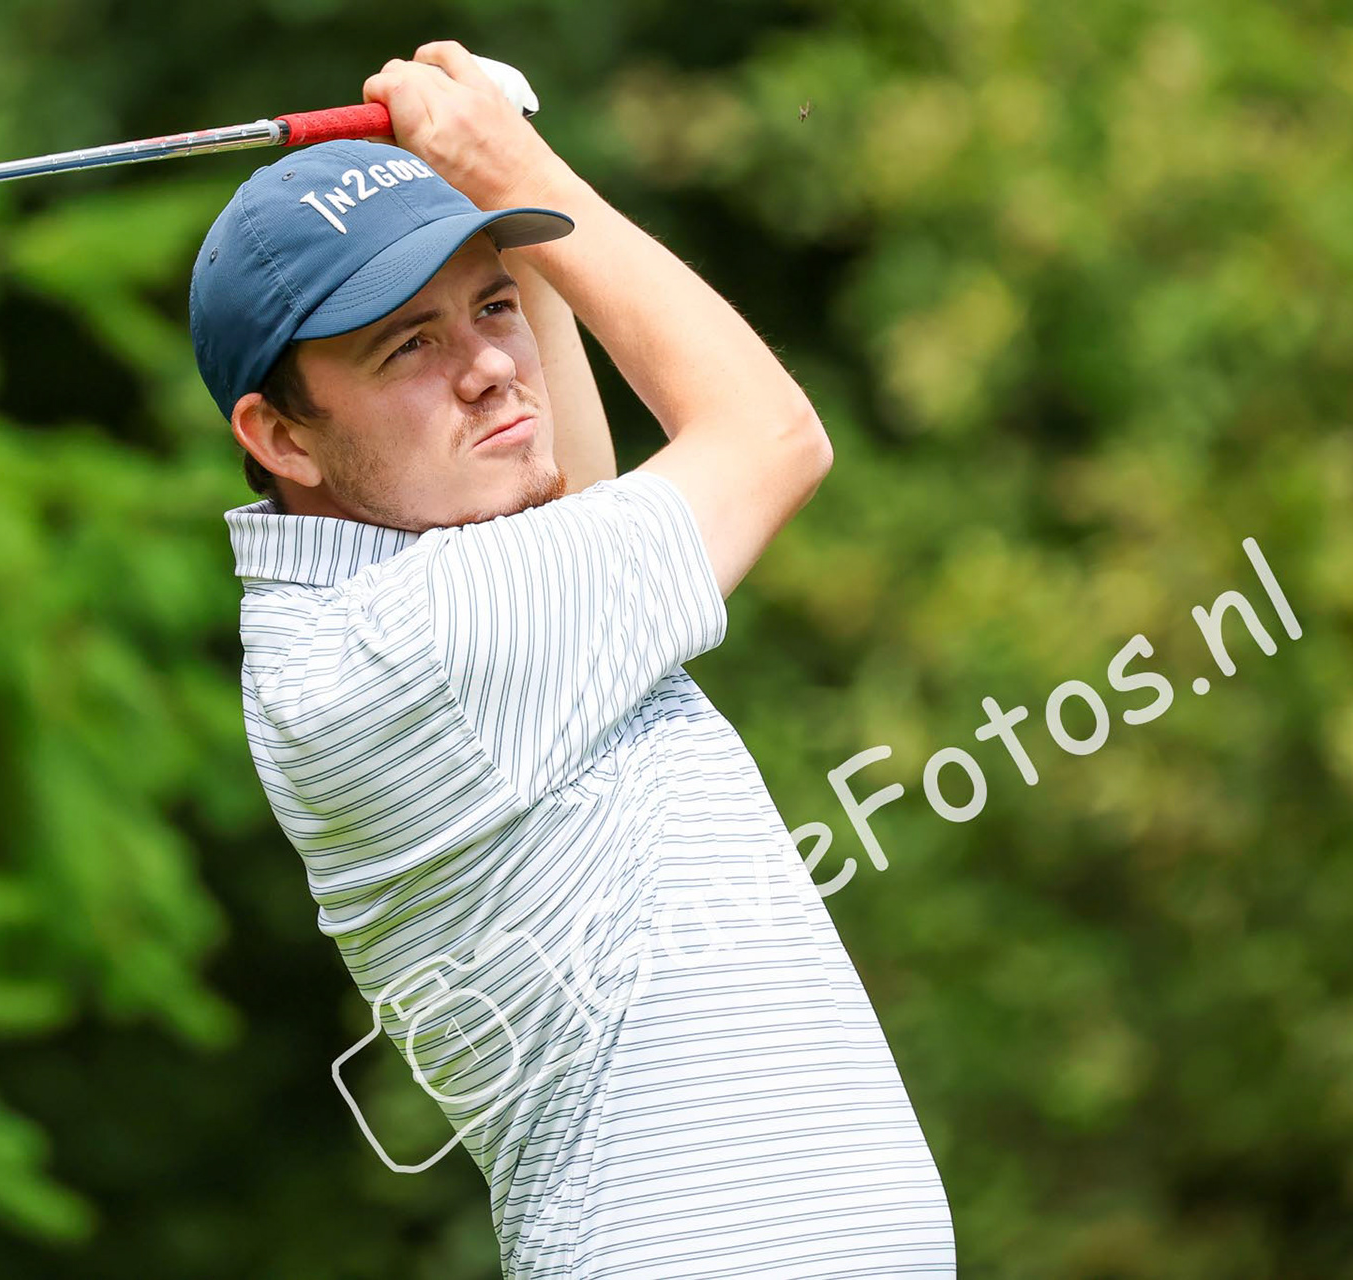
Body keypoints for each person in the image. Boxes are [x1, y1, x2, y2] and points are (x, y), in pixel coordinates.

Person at [189, 40, 955, 1279]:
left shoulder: (400, 609)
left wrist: (503, 202)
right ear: (280, 434)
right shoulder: (413, 646)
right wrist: (509, 160)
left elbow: (567, 498)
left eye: (493, 304)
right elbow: (774, 436)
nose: (490, 363)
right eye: (407, 346)